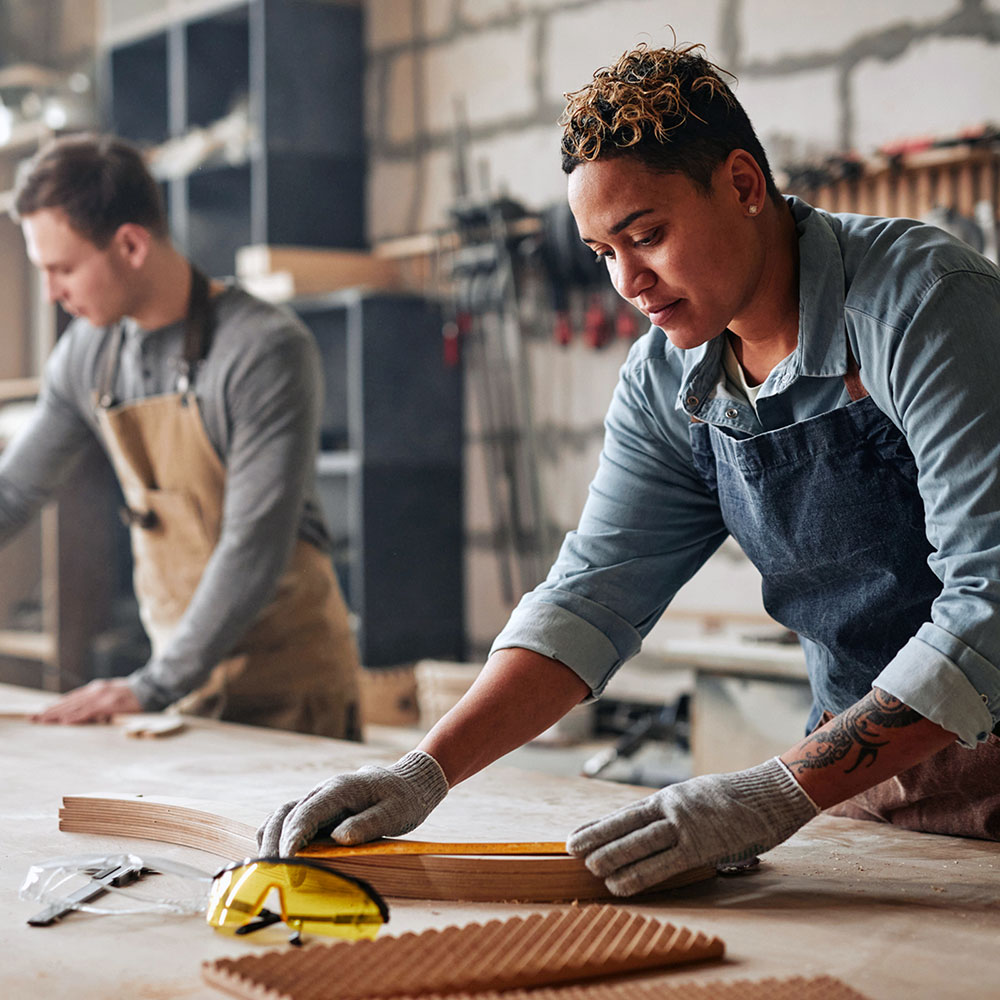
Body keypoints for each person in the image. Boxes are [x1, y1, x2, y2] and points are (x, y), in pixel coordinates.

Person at [259, 43, 1000, 890]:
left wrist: (772, 790)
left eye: (647, 235)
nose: (629, 283)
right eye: (602, 253)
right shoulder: (667, 378)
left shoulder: (925, 305)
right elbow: (591, 598)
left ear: (745, 185)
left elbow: (991, 603)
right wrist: (423, 772)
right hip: (868, 788)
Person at [9, 133, 361, 738]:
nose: (51, 294)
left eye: (62, 269)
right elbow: (12, 493)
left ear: (130, 244)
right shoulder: (88, 354)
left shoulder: (262, 350)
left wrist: (151, 685)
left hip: (289, 696)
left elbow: (252, 547)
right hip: (179, 691)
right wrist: (162, 685)